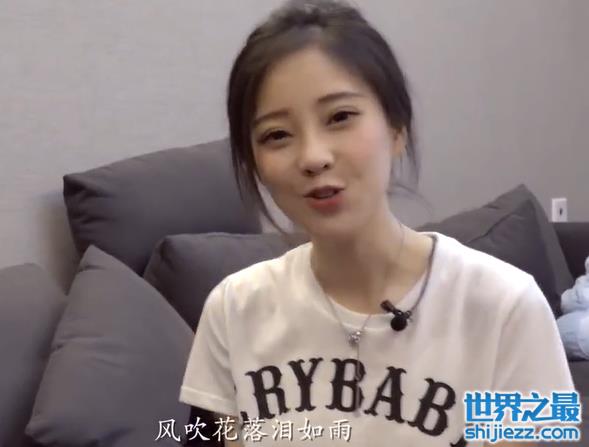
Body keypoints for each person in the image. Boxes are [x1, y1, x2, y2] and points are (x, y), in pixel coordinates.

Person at [179, 1, 575, 446]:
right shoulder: (233, 311)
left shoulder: (505, 308)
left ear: (396, 127)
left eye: (340, 117)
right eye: (277, 135)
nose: (313, 156)